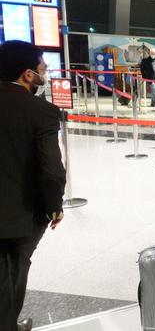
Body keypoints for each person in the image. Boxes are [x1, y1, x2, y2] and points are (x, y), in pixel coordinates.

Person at [0, 40, 66, 331]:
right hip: (20, 217)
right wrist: (55, 206)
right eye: (43, 69)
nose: (45, 74)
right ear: (28, 74)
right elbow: (51, 170)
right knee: (13, 274)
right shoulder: (41, 111)